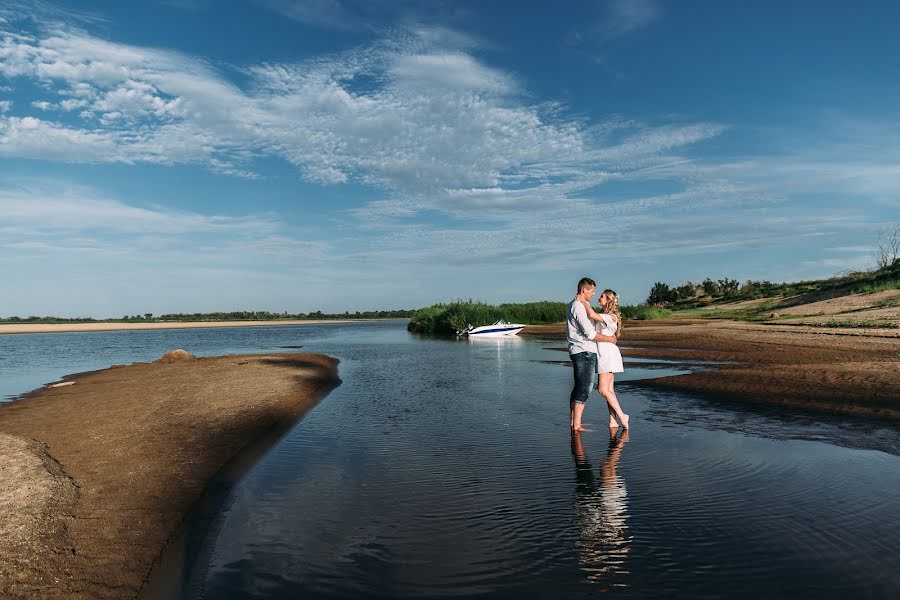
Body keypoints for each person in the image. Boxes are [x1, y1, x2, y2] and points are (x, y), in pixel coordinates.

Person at [567, 278, 619, 432]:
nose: (594, 294)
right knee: (584, 388)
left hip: (583, 350)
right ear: (584, 290)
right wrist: (610, 339)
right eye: (592, 291)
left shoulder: (580, 304)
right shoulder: (578, 306)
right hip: (584, 350)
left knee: (579, 387)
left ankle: (574, 423)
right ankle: (576, 425)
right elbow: (590, 333)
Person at [579, 290, 628, 429]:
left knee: (602, 390)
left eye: (602, 296)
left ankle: (622, 416)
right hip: (604, 353)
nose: (599, 297)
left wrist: (583, 301)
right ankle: (613, 420)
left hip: (608, 354)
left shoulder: (611, 317)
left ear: (608, 300)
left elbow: (592, 314)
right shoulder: (604, 315)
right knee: (609, 390)